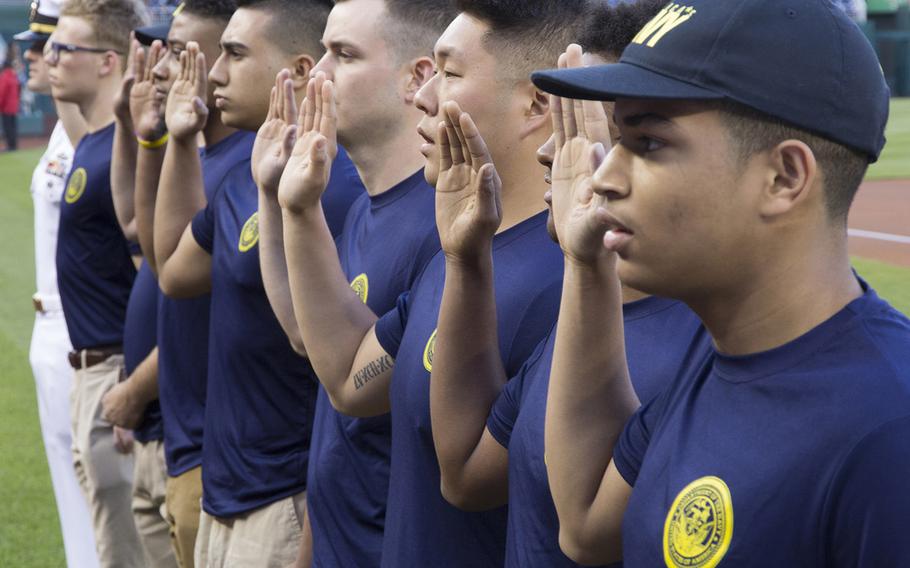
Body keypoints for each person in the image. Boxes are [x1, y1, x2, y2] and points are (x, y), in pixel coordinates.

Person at [531, 0, 910, 565]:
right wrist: (586, 267)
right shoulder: (726, 354)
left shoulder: (889, 431)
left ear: (784, 178)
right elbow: (586, 527)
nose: (603, 176)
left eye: (648, 142)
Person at [275, 1, 589, 564]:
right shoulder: (456, 253)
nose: (421, 95)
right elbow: (351, 379)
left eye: (449, 72)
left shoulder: (566, 282)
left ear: (536, 104)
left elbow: (473, 484)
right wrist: (299, 212)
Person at [425, 3, 706, 567]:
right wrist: (467, 260)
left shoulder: (701, 344)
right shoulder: (578, 323)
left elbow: (589, 538)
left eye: (625, 137)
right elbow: (465, 475)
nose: (550, 151)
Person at [150, 0, 361, 564]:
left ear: (296, 72)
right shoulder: (254, 172)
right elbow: (172, 271)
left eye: (235, 54)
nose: (214, 72)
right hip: (223, 492)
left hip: (279, 502)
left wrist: (311, 529)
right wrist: (176, 140)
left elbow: (330, 370)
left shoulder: (336, 190)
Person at [254, 0, 455, 565]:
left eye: (342, 55)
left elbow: (353, 384)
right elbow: (307, 335)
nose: (316, 73)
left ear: (417, 78)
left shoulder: (440, 224)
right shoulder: (366, 206)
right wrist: (274, 197)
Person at [126, 3, 244, 565]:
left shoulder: (245, 163)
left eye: (178, 53)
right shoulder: (207, 154)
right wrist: (156, 142)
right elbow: (160, 258)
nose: (162, 69)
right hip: (192, 444)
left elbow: (170, 272)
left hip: (220, 456)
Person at [47, 0, 149, 565]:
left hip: (117, 372)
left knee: (125, 553)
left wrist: (134, 382)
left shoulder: (122, 150)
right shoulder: (93, 140)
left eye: (66, 48)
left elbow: (148, 274)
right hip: (92, 373)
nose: (50, 58)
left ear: (109, 61)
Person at [13, 1, 98, 566]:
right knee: (74, 505)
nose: (35, 56)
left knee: (94, 500)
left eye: (51, 43)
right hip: (50, 324)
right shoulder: (63, 137)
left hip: (79, 330)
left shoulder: (88, 134)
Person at [0, 50, 20, 151]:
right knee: (13, 127)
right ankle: (14, 145)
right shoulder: (14, 77)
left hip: (6, 107)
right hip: (14, 106)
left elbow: (2, 93)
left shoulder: (5, 77)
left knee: (8, 127)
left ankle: (10, 146)